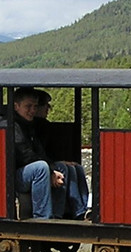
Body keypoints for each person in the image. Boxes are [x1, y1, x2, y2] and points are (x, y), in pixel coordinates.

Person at [33, 90, 90, 218]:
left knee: (77, 168)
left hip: (46, 160)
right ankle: (59, 213)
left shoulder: (43, 126)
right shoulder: (33, 127)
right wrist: (54, 164)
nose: (48, 109)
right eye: (45, 106)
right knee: (63, 168)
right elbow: (37, 152)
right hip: (38, 164)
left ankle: (83, 208)